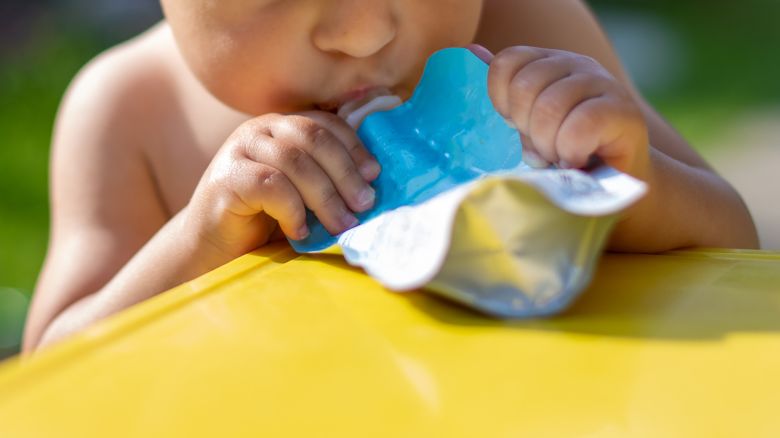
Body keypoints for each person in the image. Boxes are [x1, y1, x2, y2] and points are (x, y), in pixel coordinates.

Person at [22, 0, 758, 351]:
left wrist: (629, 175)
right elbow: (51, 369)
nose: (364, 30)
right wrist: (202, 235)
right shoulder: (130, 113)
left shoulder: (526, 32)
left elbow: (732, 234)